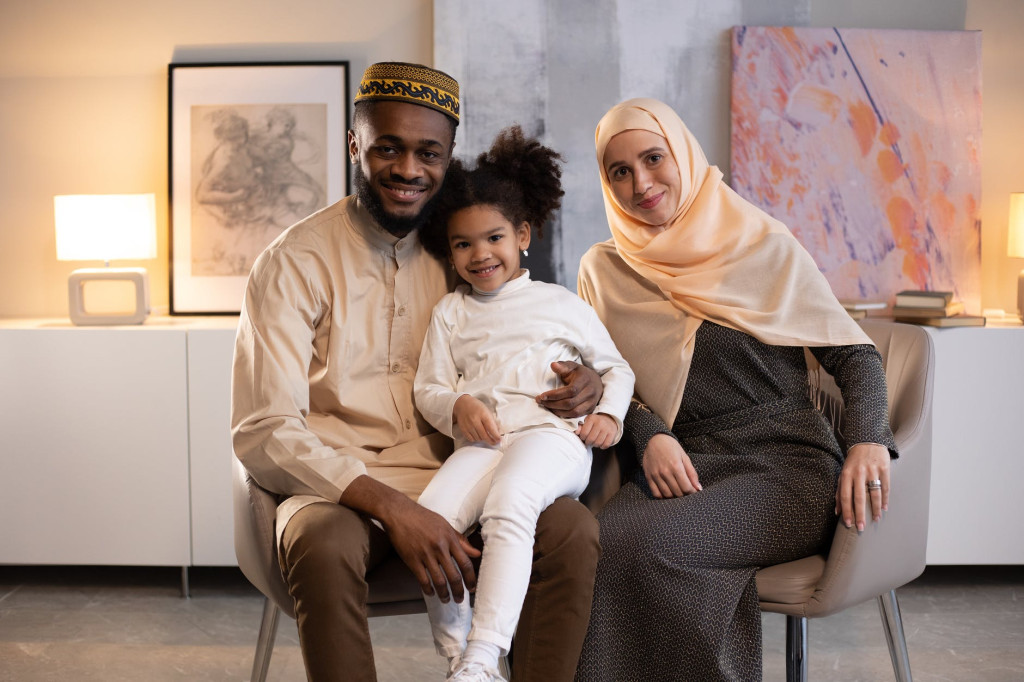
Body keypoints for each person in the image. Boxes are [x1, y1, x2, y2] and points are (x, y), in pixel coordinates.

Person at [231, 62, 603, 682]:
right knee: (321, 544)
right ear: (356, 145)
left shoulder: (463, 247)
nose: (408, 169)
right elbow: (264, 427)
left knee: (570, 528)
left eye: (427, 152)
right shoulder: (291, 263)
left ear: (448, 155)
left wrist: (585, 379)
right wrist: (395, 508)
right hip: (338, 486)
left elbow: (535, 329)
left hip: (464, 468)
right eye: (387, 148)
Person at [572, 98, 898, 681]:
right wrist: (647, 435)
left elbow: (854, 355)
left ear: (684, 155)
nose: (640, 183)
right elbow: (605, 379)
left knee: (649, 549)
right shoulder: (605, 269)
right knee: (599, 543)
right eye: (619, 171)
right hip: (683, 464)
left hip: (787, 464)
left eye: (653, 158)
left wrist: (868, 439)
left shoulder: (761, 244)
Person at [413, 126, 635, 681]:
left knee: (508, 505)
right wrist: (458, 404)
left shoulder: (560, 303)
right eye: (463, 244)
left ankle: (487, 651)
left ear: (523, 236)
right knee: (431, 523)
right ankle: (460, 657)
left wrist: (609, 413)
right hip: (485, 443)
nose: (480, 254)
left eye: (494, 238)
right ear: (449, 251)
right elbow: (430, 389)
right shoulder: (450, 313)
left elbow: (616, 367)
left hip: (550, 440)